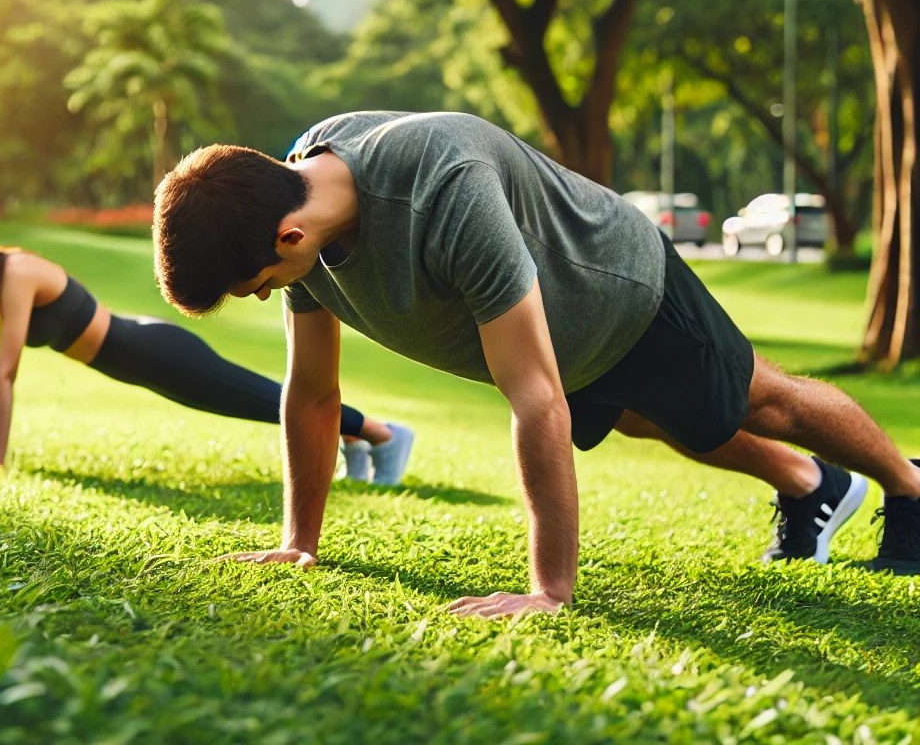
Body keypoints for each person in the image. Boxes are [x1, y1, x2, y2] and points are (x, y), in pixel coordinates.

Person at [152, 111, 920, 616]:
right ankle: (811, 486)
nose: (265, 299)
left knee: (764, 401)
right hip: (564, 332)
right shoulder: (296, 218)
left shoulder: (442, 186)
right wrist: (300, 542)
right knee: (655, 422)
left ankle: (910, 485)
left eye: (256, 289)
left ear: (286, 238)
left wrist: (548, 590)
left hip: (620, 289)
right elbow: (314, 393)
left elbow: (535, 398)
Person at [0, 199, 414, 484]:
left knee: (256, 397)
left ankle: (383, 433)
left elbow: (5, 372)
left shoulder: (16, 272)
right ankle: (354, 439)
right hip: (134, 362)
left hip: (151, 352)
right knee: (254, 401)